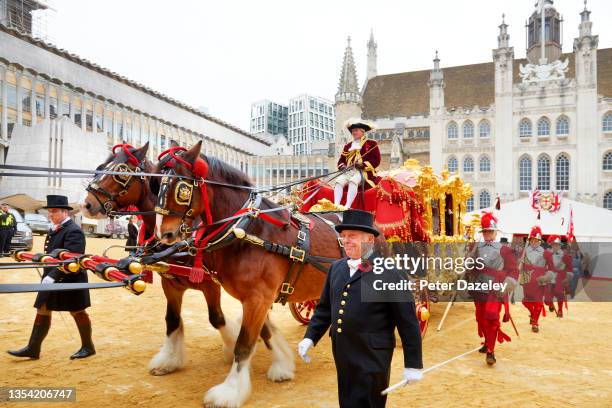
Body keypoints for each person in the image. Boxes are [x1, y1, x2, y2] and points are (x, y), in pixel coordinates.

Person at [297, 209, 423, 407]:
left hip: (372, 356)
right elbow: (324, 309)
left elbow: (407, 322)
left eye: (352, 236)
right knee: (347, 401)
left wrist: (413, 364)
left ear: (370, 240)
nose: (346, 240)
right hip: (343, 353)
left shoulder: (390, 273)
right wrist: (310, 337)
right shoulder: (337, 268)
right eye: (344, 236)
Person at [7, 195, 95, 360]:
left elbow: (72, 258)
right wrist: (42, 259)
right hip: (53, 277)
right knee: (43, 308)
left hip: (70, 278)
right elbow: (53, 253)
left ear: (64, 212)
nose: (50, 215)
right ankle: (33, 348)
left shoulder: (74, 231)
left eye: (54, 211)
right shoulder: (56, 228)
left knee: (77, 311)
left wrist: (53, 276)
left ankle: (88, 346)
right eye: (49, 212)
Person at [468, 211, 518, 366]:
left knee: (491, 319)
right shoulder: (476, 247)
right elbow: (470, 266)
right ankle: (487, 341)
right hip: (479, 287)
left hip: (495, 290)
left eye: (490, 231)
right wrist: (468, 265)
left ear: (495, 232)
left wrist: (505, 286)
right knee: (481, 319)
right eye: (485, 231)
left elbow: (514, 271)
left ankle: (491, 351)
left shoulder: (504, 249)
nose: (487, 234)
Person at [334, 119, 381, 209]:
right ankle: (336, 205)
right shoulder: (348, 146)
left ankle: (347, 206)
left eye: (356, 130)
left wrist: (362, 165)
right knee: (338, 181)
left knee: (353, 181)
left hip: (363, 172)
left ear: (362, 132)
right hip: (349, 171)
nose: (353, 133)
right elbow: (341, 160)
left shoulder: (371, 143)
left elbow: (376, 160)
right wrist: (342, 166)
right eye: (352, 131)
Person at [519, 226, 552, 333]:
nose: (533, 242)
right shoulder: (525, 251)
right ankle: (533, 314)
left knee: (538, 303)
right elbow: (520, 266)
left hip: (539, 280)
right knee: (525, 302)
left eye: (535, 240)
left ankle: (535, 323)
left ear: (539, 241)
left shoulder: (545, 252)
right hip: (527, 279)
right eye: (531, 240)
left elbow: (550, 267)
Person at [543, 236, 573, 317]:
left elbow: (569, 268)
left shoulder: (565, 256)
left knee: (559, 294)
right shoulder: (547, 254)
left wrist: (567, 278)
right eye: (554, 245)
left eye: (557, 245)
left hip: (560, 277)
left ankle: (560, 310)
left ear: (560, 246)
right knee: (547, 297)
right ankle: (550, 304)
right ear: (551, 245)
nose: (555, 246)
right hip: (549, 276)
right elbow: (543, 265)